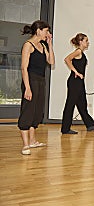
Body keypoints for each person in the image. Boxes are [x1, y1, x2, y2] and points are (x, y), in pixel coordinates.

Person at [18, 20, 55, 155]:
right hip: (31, 80)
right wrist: (27, 88)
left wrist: (50, 45)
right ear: (39, 31)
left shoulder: (43, 46)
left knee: (37, 111)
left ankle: (33, 141)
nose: (48, 34)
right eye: (46, 31)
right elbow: (23, 68)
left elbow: (51, 62)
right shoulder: (28, 45)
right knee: (28, 110)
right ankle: (25, 145)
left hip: (41, 81)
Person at [61, 33, 94, 134]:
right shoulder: (78, 51)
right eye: (86, 41)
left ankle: (90, 124)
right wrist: (76, 72)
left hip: (79, 82)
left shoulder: (81, 53)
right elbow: (67, 59)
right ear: (80, 42)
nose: (88, 43)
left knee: (82, 104)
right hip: (74, 82)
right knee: (70, 104)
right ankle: (65, 129)